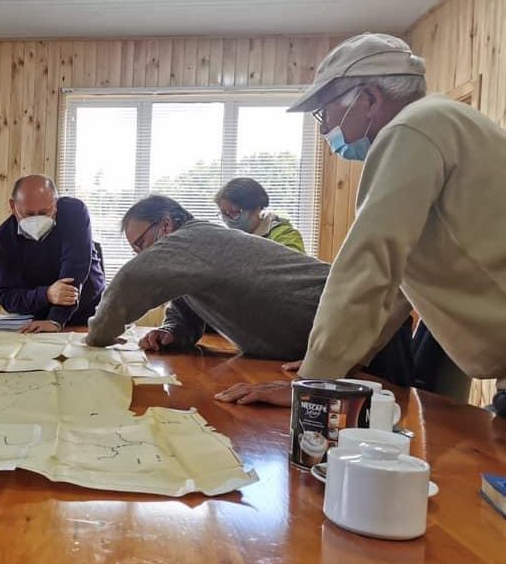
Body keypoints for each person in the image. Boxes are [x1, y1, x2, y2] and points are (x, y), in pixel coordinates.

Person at [214, 33, 506, 416]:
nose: (323, 129)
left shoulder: (412, 128)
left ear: (368, 99)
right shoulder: (443, 121)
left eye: (326, 112)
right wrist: (335, 365)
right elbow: (399, 283)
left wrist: (314, 383)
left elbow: (368, 262)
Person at [85, 195, 413, 387]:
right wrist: (173, 332)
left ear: (167, 225)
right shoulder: (190, 254)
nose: (141, 254)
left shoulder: (192, 239)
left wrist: (95, 338)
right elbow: (187, 307)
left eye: (141, 243)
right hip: (325, 342)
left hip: (361, 328)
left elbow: (131, 281)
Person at [0, 175, 105, 333]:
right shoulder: (2, 240)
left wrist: (55, 320)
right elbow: (6, 295)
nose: (37, 219)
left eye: (45, 212)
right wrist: (47, 295)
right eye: (29, 214)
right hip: (38, 320)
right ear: (13, 206)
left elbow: (74, 269)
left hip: (88, 312)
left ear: (56, 204)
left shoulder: (74, 212)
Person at [215, 177, 305, 252]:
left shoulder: (285, 235)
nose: (229, 219)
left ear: (256, 208)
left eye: (235, 212)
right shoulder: (228, 238)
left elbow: (293, 269)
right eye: (224, 213)